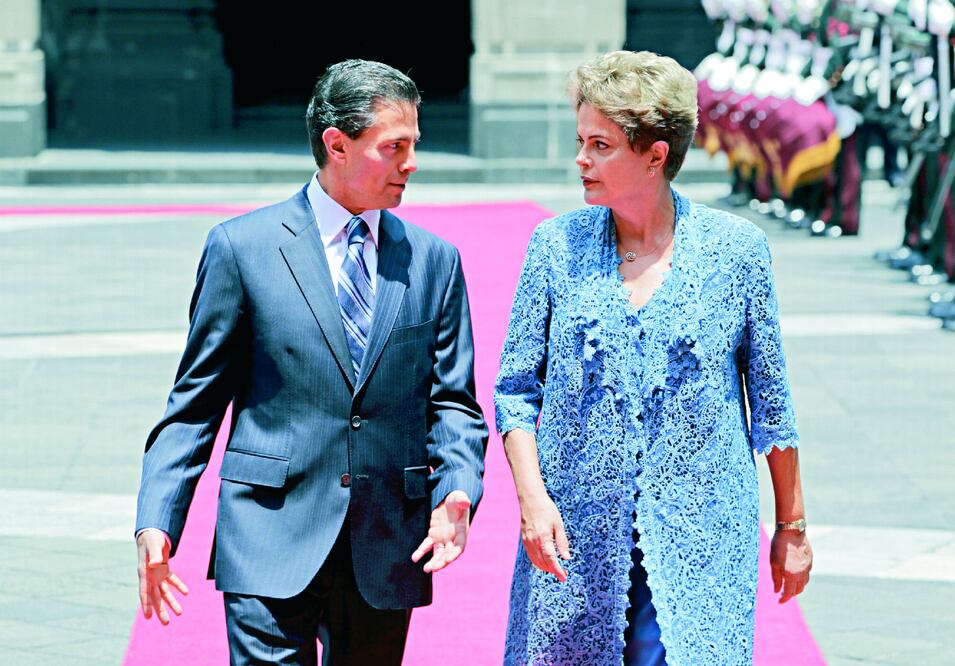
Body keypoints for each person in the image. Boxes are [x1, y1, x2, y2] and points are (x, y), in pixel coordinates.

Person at [134, 59, 488, 665]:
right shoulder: (242, 249)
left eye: (414, 145)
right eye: (394, 146)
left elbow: (452, 401)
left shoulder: (435, 261)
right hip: (268, 535)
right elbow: (194, 406)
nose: (412, 163)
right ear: (337, 145)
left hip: (385, 544)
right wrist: (157, 519)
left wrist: (459, 486)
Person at [494, 50, 813, 665]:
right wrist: (534, 502)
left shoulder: (736, 251)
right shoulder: (555, 246)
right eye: (580, 140)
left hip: (704, 529)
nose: (580, 160)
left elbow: (772, 404)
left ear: (655, 155)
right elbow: (514, 391)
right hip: (574, 534)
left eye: (601, 145)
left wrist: (791, 528)